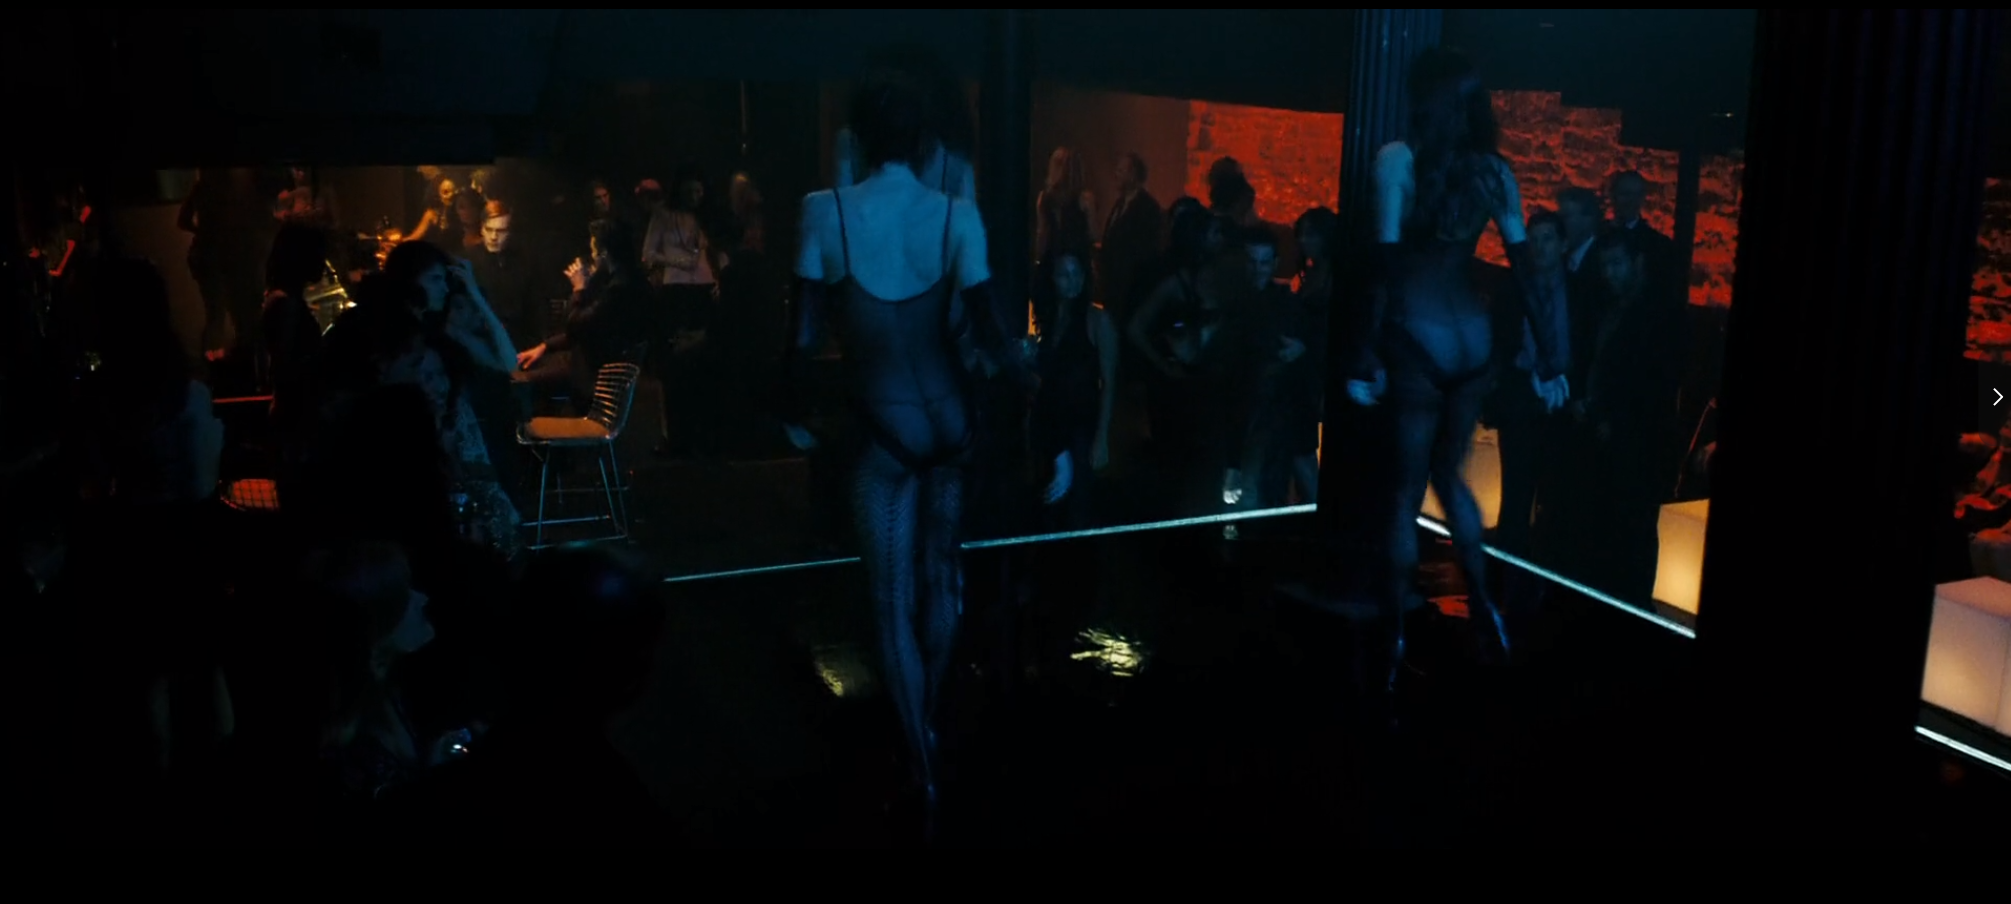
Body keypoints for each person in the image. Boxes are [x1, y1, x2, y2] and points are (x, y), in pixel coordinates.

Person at [781, 63, 1020, 837]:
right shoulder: (956, 214)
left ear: (856, 136)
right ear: (921, 143)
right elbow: (990, 334)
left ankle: (921, 765)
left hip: (883, 425)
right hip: (951, 421)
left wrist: (793, 414)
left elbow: (802, 337)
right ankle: (933, 723)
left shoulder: (824, 211)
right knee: (941, 578)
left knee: (890, 604)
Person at [1344, 48, 1569, 699]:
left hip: (1417, 335)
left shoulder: (1398, 161)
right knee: (1453, 479)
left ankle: (1394, 638)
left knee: (1405, 491)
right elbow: (1526, 269)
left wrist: (1365, 355)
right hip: (1472, 338)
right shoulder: (1495, 172)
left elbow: (1386, 271)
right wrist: (1551, 358)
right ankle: (1484, 608)